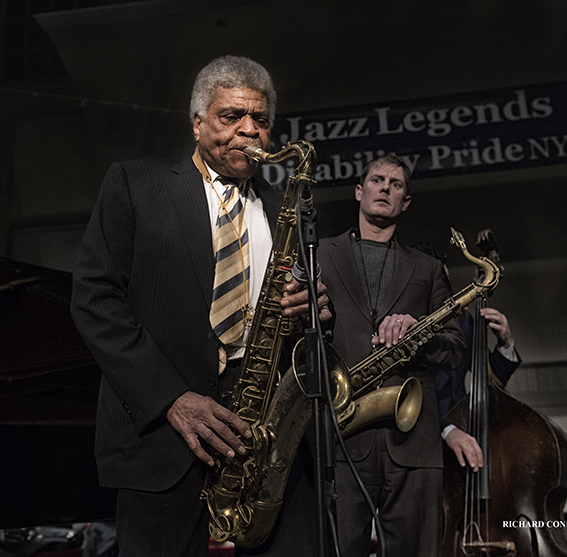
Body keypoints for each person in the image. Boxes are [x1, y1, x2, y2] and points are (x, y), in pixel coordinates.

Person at [70, 55, 330, 557]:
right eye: (230, 117)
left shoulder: (288, 207)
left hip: (266, 439)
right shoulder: (134, 183)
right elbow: (94, 298)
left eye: (260, 120)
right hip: (165, 435)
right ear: (197, 123)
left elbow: (299, 314)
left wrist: (316, 311)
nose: (248, 131)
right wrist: (172, 399)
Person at [318, 154, 467, 557]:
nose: (385, 187)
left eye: (396, 184)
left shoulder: (430, 268)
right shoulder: (318, 256)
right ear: (359, 191)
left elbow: (455, 349)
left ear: (406, 202)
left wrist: (418, 333)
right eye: (377, 180)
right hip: (341, 436)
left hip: (414, 438)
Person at [412, 243, 522, 472]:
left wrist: (506, 342)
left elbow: (489, 379)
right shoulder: (401, 323)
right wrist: (447, 430)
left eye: (445, 281)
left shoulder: (462, 322)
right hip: (418, 439)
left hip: (463, 428)